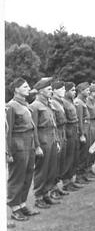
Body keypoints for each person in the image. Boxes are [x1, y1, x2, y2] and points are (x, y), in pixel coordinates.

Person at [6, 77, 40, 221]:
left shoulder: (25, 105)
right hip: (18, 145)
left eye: (28, 86)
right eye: (24, 86)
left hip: (29, 144)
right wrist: (7, 151)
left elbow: (33, 128)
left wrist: (37, 145)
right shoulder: (11, 106)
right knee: (17, 177)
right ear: (16, 90)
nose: (28, 88)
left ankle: (22, 204)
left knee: (27, 175)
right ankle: (14, 208)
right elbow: (7, 131)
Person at [30, 78, 60, 209]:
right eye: (48, 89)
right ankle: (38, 197)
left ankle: (46, 194)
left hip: (52, 138)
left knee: (51, 168)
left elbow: (54, 125)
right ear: (41, 91)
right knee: (42, 170)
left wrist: (57, 141)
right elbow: (34, 127)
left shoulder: (48, 104)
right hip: (42, 139)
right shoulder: (35, 106)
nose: (51, 91)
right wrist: (37, 146)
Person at [50, 80, 69, 199]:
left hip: (63, 131)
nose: (63, 91)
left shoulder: (60, 102)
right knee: (55, 163)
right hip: (57, 131)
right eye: (60, 89)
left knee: (61, 161)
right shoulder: (52, 102)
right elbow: (54, 122)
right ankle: (52, 189)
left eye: (64, 89)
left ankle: (57, 187)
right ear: (54, 91)